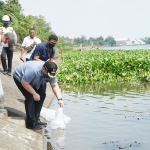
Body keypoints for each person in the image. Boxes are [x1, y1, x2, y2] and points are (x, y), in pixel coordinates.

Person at [13, 61, 64, 130]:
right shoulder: (33, 70)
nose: (49, 76)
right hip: (21, 78)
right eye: (48, 74)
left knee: (42, 94)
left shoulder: (50, 72)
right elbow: (25, 83)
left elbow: (54, 85)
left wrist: (59, 99)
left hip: (36, 81)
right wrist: (34, 93)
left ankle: (36, 119)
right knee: (30, 97)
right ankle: (31, 123)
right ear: (44, 69)